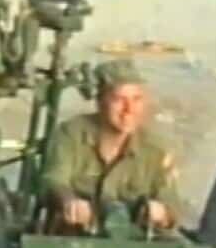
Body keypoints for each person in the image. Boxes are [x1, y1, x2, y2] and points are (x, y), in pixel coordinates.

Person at [40, 59, 182, 233]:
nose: (129, 110)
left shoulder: (155, 149)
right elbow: (54, 180)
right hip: (73, 238)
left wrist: (162, 213)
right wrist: (69, 201)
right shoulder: (72, 134)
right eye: (119, 100)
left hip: (134, 242)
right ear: (100, 102)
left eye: (136, 99)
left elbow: (172, 205)